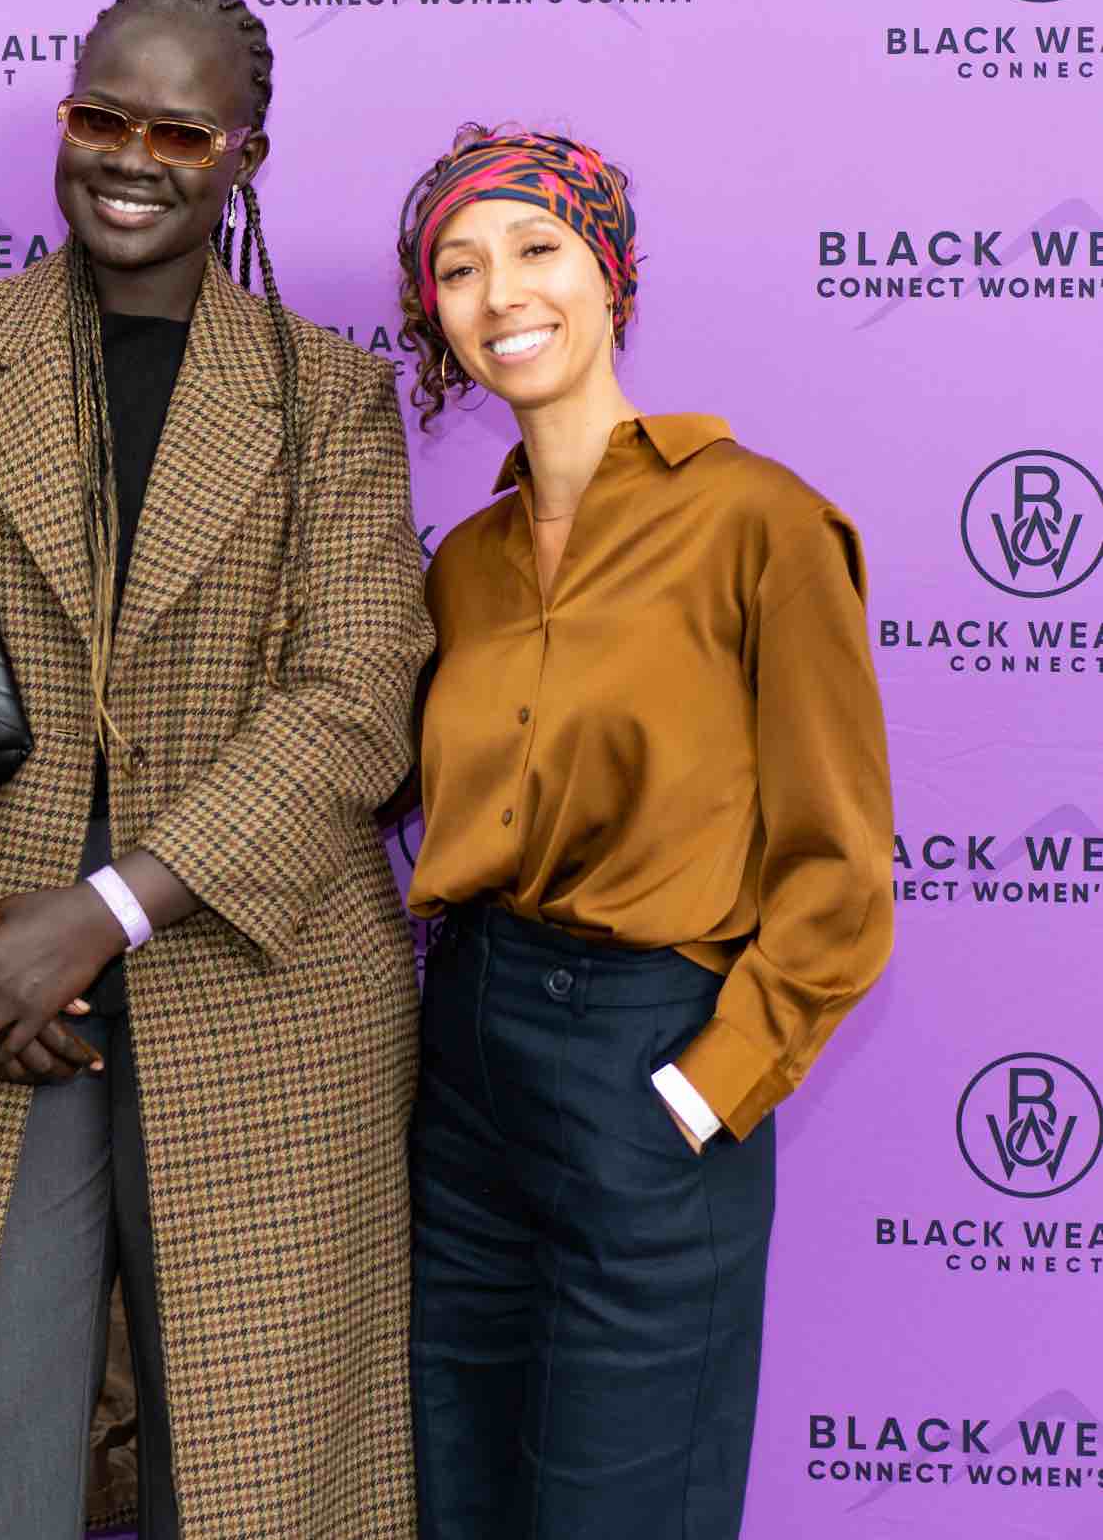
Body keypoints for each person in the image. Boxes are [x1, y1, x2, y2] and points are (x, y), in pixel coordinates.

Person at [0, 0, 433, 1540]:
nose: (131, 158)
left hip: (267, 990)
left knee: (258, 1483)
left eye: (178, 132)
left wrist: (106, 909)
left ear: (243, 155)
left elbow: (351, 694)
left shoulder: (327, 394)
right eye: (99, 118)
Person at [395, 125, 894, 1539]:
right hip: (465, 1060)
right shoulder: (461, 565)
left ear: (608, 274)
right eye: (457, 268)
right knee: (457, 1496)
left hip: (646, 1055)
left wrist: (704, 1089)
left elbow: (841, 859)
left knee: (621, 1509)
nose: (500, 294)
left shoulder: (758, 522)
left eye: (535, 248)